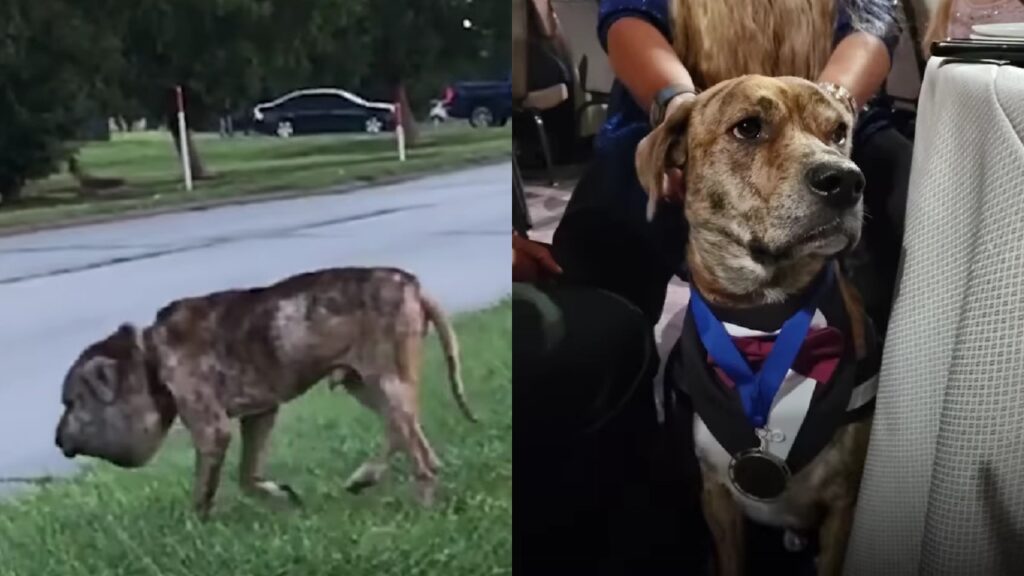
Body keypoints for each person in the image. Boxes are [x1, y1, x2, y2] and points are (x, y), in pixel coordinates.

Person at [514, 0, 911, 573]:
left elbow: (874, 20)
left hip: (835, 101)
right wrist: (682, 108)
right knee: (598, 258)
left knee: (914, 210)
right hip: (675, 99)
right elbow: (627, 15)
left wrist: (827, 112)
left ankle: (870, 437)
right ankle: (634, 484)